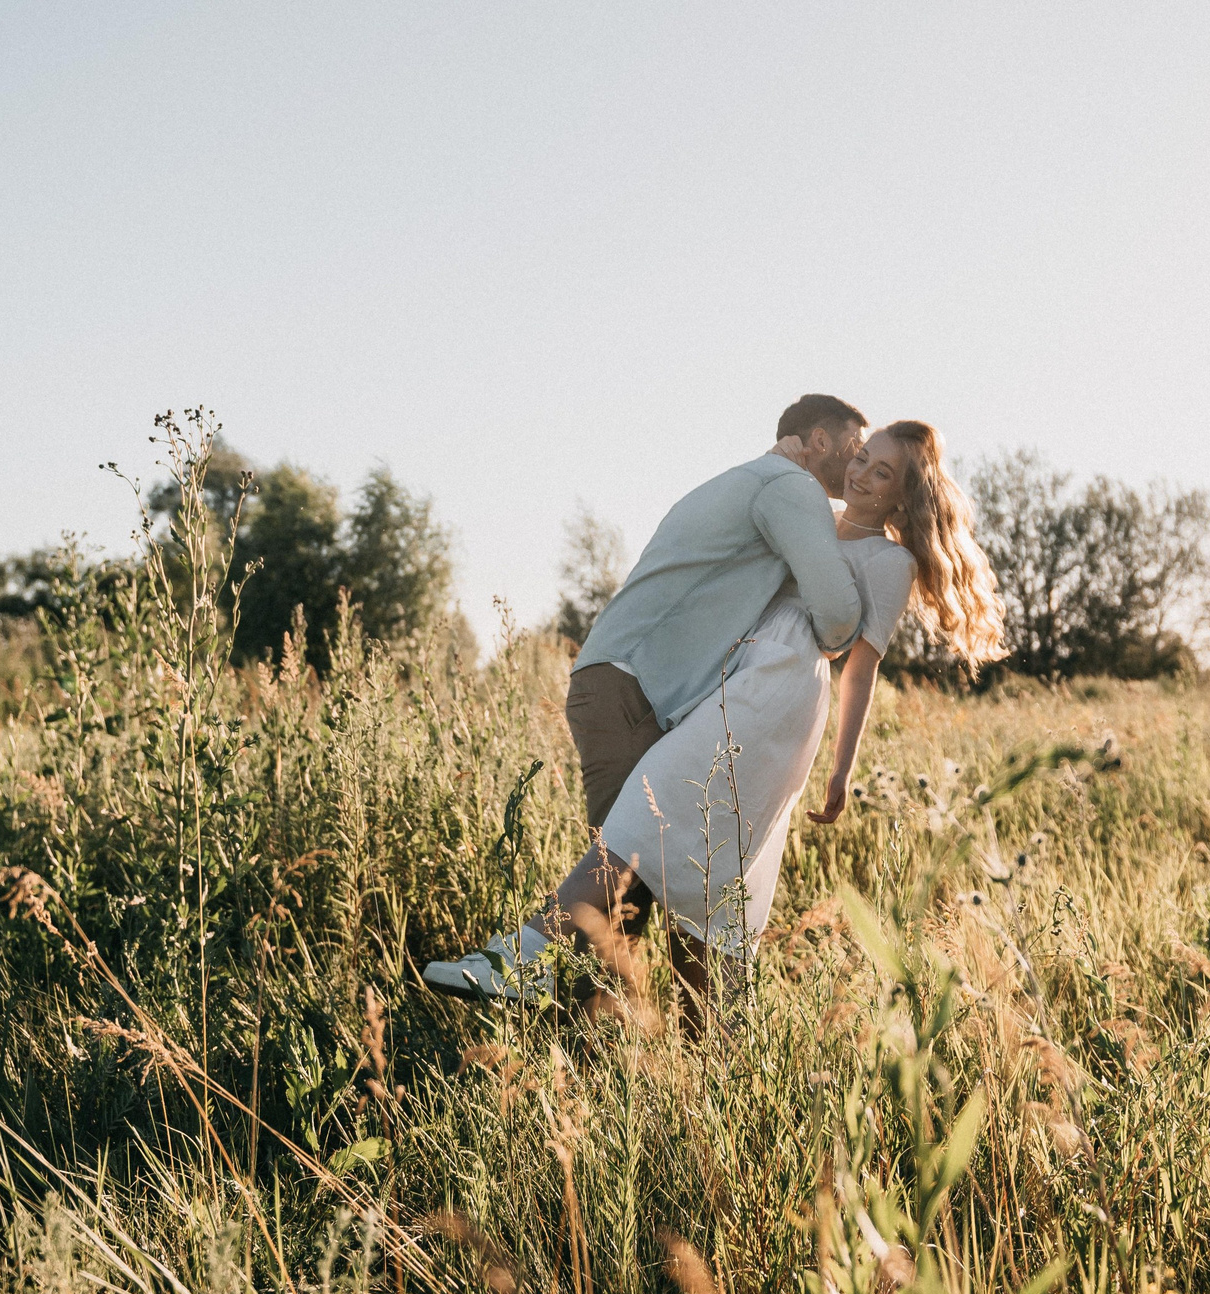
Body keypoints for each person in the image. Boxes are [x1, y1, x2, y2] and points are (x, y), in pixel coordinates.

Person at [424, 420, 1007, 1031]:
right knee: (716, 866)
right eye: (861, 458)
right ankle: (724, 1041)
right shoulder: (808, 514)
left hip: (779, 695)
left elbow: (859, 670)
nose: (860, 473)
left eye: (881, 472)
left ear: (901, 497)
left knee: (648, 810)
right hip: (733, 682)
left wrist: (842, 770)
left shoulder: (890, 562)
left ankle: (523, 955)